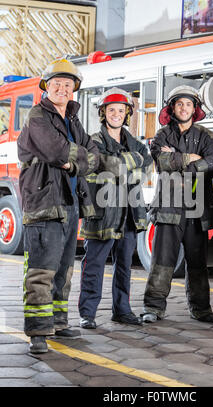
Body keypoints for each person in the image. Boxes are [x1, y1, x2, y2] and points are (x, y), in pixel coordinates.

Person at [17, 58, 99, 354]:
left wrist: (72, 162)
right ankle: (38, 331)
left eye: (67, 84)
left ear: (74, 89)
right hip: (44, 202)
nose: (62, 88)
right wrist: (75, 158)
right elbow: (55, 150)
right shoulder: (37, 116)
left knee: (64, 269)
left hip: (70, 201)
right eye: (57, 84)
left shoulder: (74, 120)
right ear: (46, 86)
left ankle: (58, 322)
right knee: (41, 268)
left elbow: (95, 155)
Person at [142, 85, 213, 324]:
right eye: (179, 104)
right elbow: (162, 162)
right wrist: (192, 158)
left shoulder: (207, 136)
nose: (184, 108)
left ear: (194, 108)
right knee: (162, 262)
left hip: (197, 210)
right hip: (168, 209)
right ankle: (153, 308)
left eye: (188, 104)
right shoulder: (162, 136)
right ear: (172, 108)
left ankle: (201, 309)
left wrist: (179, 160)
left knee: (198, 263)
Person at [78, 87, 153, 328]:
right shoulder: (93, 141)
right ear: (103, 113)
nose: (116, 114)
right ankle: (87, 314)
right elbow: (109, 165)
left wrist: (126, 168)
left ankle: (122, 310)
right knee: (94, 263)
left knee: (124, 265)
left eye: (121, 110)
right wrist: (130, 164)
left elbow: (147, 166)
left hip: (129, 213)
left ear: (127, 114)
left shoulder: (136, 143)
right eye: (111, 110)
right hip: (102, 213)